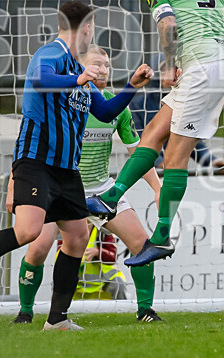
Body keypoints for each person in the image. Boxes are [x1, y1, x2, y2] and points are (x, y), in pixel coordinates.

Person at [0, 1, 153, 330]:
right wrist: (78, 79)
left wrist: (132, 85)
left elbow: (105, 113)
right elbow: (40, 78)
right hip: (37, 162)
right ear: (85, 27)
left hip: (66, 170)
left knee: (77, 236)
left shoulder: (81, 73)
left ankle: (57, 320)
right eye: (92, 26)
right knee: (29, 233)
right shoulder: (52, 54)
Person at [88, 0, 224, 266]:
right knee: (154, 132)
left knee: (174, 157)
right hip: (223, 67)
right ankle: (110, 198)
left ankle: (162, 236)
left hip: (199, 70)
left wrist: (170, 65)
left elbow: (168, 23)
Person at [11, 46, 163, 324]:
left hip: (101, 191)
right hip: (60, 188)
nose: (104, 70)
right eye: (97, 64)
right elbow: (28, 146)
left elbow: (137, 151)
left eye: (107, 65)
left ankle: (146, 311)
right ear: (78, 68)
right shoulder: (60, 101)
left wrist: (157, 186)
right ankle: (25, 312)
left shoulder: (115, 109)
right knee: (37, 247)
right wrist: (13, 187)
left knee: (143, 245)